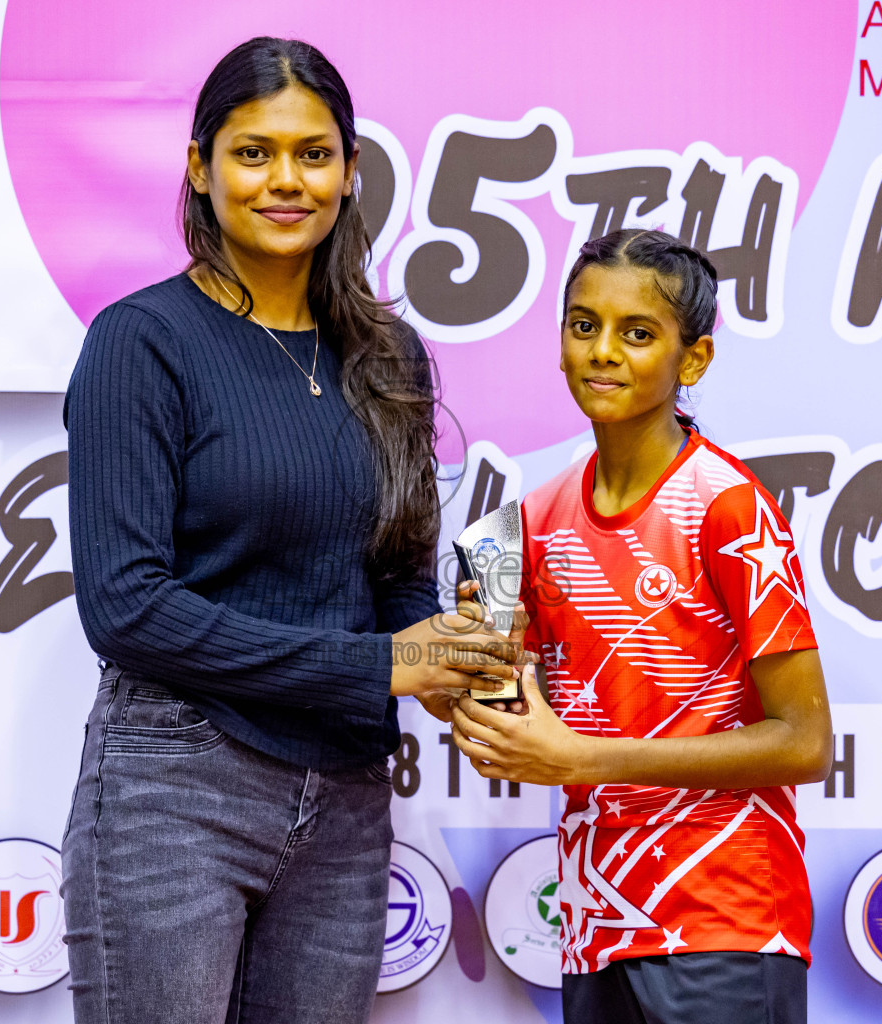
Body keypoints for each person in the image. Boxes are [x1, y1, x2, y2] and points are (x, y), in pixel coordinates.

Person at [60, 37, 518, 1024]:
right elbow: (125, 607)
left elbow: (395, 571)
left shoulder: (388, 351)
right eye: (252, 152)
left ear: (352, 172)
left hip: (347, 798)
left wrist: (450, 662)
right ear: (200, 166)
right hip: (176, 786)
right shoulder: (141, 343)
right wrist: (379, 665)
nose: (285, 180)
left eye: (313, 154)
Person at [448, 229, 832, 1024]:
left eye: (638, 332)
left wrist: (583, 756)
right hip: (594, 921)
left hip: (725, 917)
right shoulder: (525, 525)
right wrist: (471, 668)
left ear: (693, 361)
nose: (604, 352)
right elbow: (506, 726)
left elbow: (804, 742)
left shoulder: (727, 508)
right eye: (584, 325)